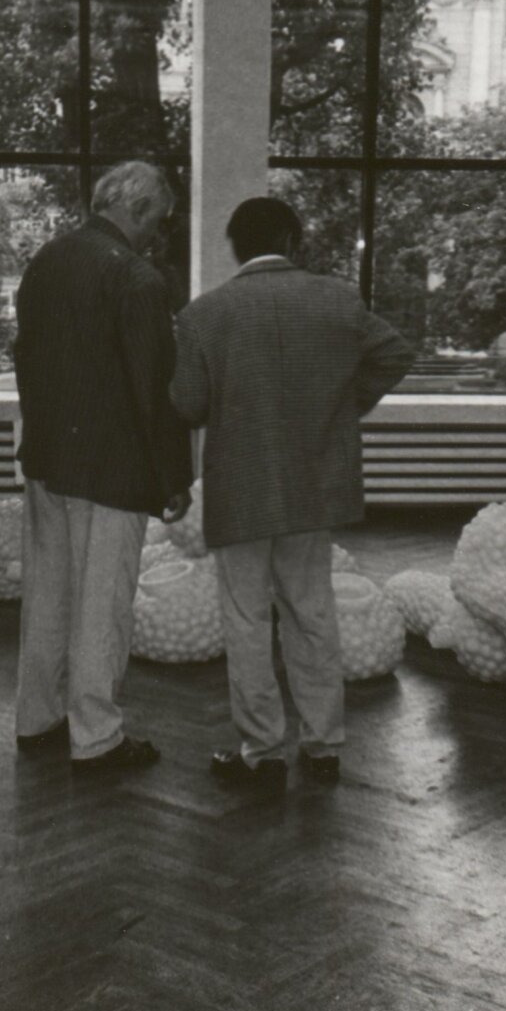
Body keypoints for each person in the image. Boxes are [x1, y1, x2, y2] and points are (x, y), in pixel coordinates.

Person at [169, 197, 414, 792]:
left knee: (247, 621)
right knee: (312, 612)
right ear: (291, 240)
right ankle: (324, 744)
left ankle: (263, 752)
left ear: (235, 246)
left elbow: (188, 404)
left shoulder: (205, 314)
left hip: (241, 489)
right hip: (312, 484)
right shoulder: (337, 300)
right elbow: (396, 353)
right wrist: (343, 405)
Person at [13, 161, 192, 772]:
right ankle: (97, 738)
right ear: (137, 210)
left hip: (47, 457)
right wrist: (173, 477)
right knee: (102, 604)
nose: (156, 236)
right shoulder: (136, 279)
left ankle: (37, 718)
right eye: (156, 221)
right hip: (111, 470)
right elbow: (154, 389)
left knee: (47, 595)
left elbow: (25, 358)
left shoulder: (47, 262)